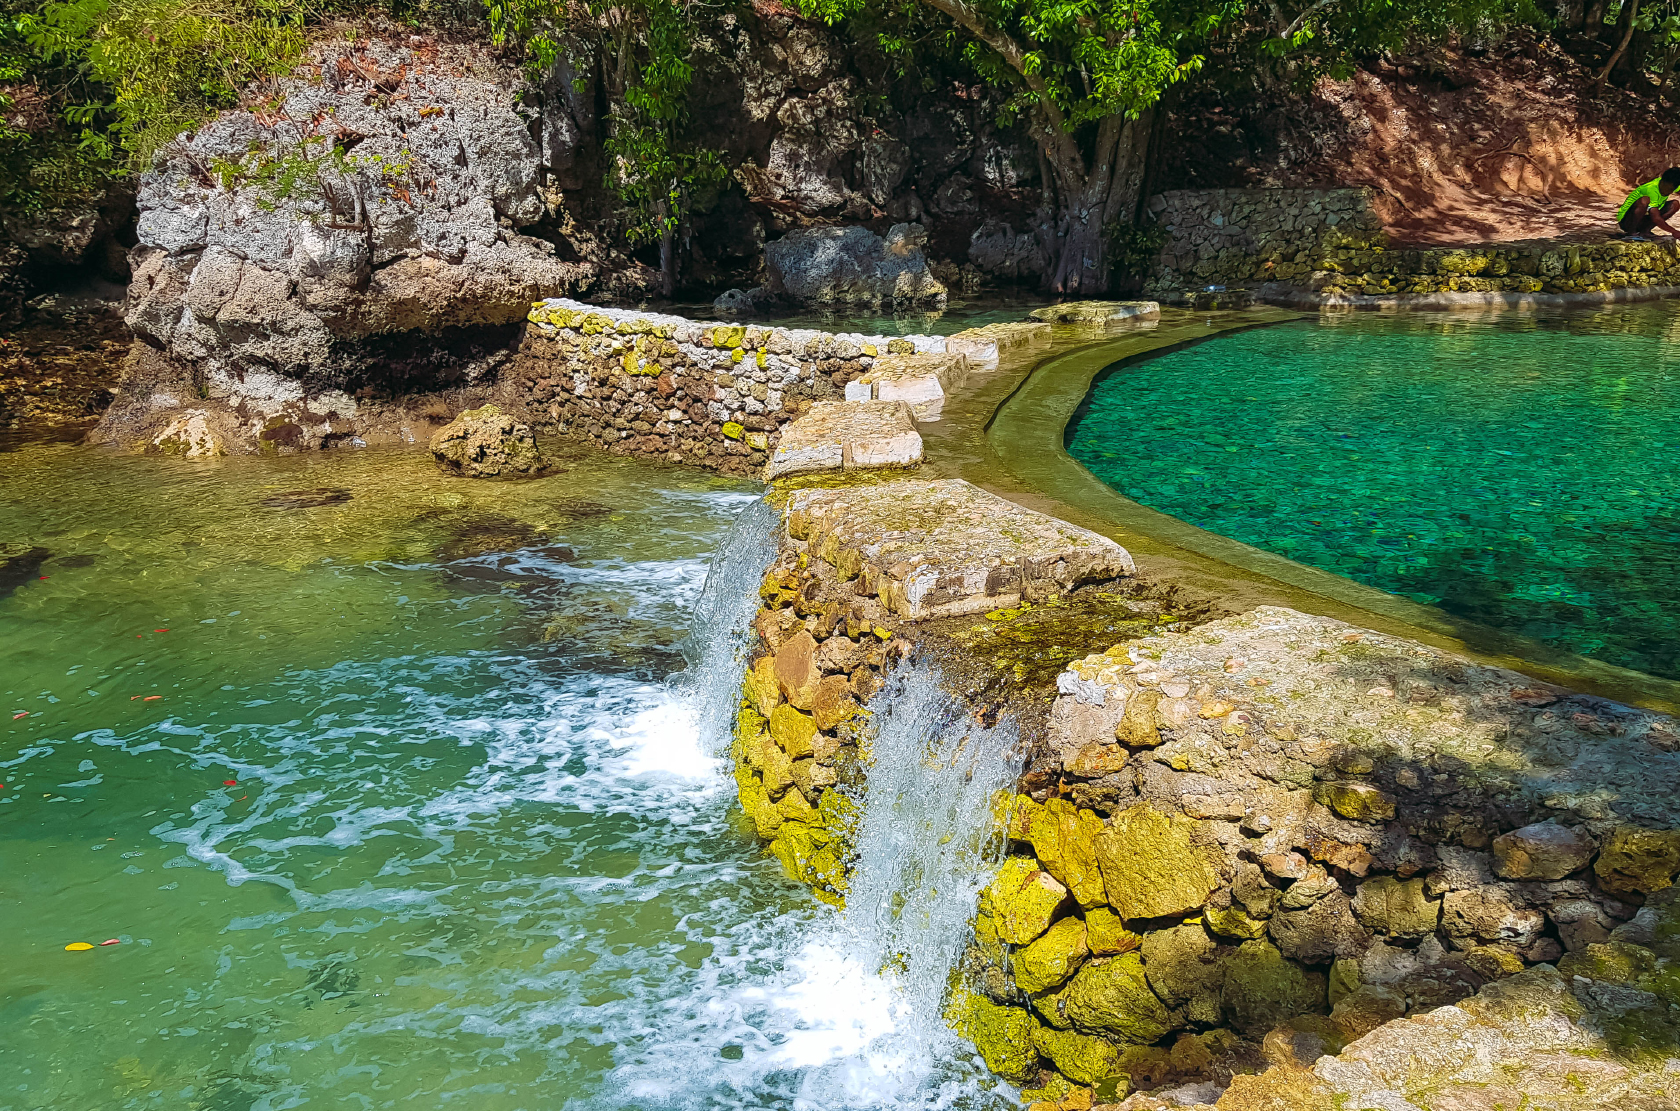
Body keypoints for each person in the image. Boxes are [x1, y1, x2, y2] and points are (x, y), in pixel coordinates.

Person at [1617, 168, 1680, 238]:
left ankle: (1645, 231)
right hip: (1626, 221)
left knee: (1675, 204)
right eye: (1669, 189)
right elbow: (1655, 217)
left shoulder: (1673, 184)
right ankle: (1631, 232)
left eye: (1672, 190)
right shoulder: (1651, 190)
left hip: (1642, 219)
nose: (1670, 192)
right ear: (1663, 182)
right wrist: (1673, 231)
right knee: (1645, 200)